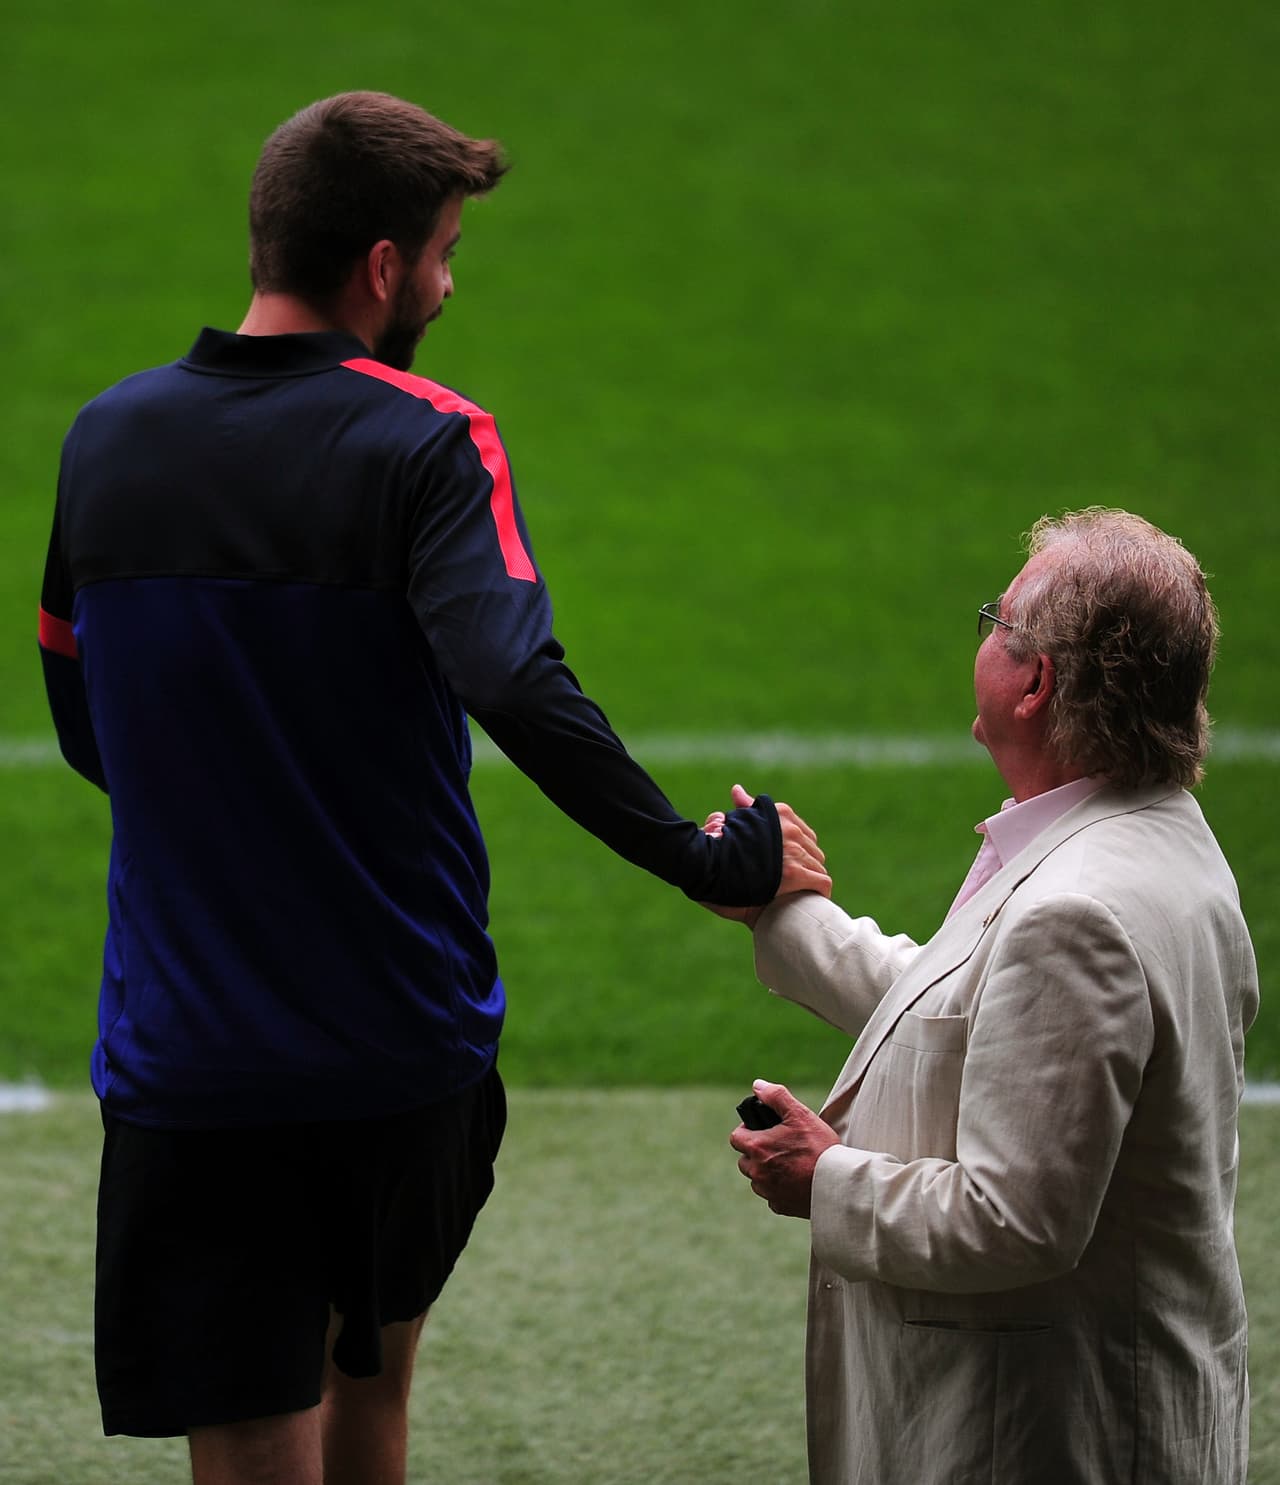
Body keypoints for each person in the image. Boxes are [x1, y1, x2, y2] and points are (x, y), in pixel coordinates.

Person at [36, 92, 830, 1485]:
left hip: (191, 1061)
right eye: (449, 252)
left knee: (242, 1429)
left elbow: (88, 724)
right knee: (373, 1388)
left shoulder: (106, 440)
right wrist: (709, 859)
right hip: (399, 1048)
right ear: (386, 268)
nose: (451, 284)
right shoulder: (427, 442)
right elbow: (515, 683)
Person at [716, 509, 1257, 1484]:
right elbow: (968, 1016)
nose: (982, 641)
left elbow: (1019, 1221)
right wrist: (780, 913)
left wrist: (825, 1176)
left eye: (995, 625)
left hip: (1046, 1434)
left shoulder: (1074, 911)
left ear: (1036, 680)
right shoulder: (1147, 835)